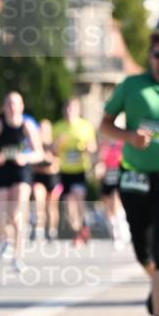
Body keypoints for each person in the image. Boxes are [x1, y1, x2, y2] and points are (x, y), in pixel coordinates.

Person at [100, 26, 159, 316]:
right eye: (158, 55)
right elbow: (105, 125)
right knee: (143, 249)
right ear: (150, 57)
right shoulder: (132, 86)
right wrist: (129, 137)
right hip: (134, 176)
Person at [0, 92, 42, 274]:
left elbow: (39, 153)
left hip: (21, 171)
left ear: (21, 106)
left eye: (15, 104)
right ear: (4, 107)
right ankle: (5, 240)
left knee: (16, 214)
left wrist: (25, 157)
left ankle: (18, 256)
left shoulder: (27, 125)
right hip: (2, 170)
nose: (12, 107)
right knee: (0, 212)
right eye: (9, 104)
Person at [53, 98, 97, 246]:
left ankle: (82, 228)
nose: (69, 112)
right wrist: (58, 143)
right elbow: (52, 150)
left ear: (78, 110)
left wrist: (87, 148)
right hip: (64, 171)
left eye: (72, 109)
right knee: (68, 203)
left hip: (80, 170)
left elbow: (93, 147)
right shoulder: (57, 127)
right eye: (66, 108)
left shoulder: (86, 126)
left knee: (78, 199)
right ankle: (78, 231)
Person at [95, 134, 129, 249]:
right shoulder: (104, 146)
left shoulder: (122, 145)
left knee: (116, 201)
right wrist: (99, 166)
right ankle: (115, 231)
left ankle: (120, 233)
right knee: (108, 208)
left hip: (118, 176)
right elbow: (100, 162)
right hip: (107, 178)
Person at [31, 118, 62, 241]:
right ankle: (39, 229)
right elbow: (32, 165)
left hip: (53, 180)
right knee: (39, 202)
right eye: (40, 129)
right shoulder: (34, 145)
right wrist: (44, 161)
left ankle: (52, 230)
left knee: (51, 206)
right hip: (39, 179)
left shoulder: (55, 144)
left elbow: (56, 166)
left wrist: (47, 160)